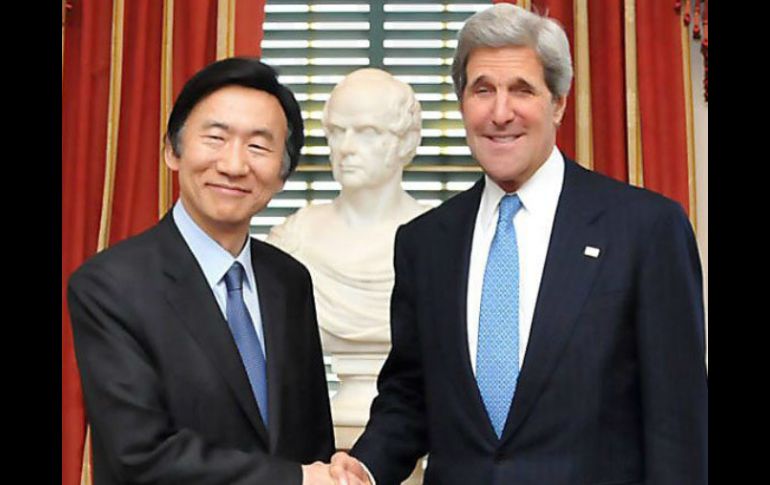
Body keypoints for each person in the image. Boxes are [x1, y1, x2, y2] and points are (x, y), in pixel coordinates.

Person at [330, 4, 708, 485]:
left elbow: (679, 424)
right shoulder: (425, 243)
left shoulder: (646, 230)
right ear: (462, 103)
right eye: (482, 90)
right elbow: (410, 394)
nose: (500, 113)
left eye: (522, 90)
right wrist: (363, 467)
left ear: (558, 104)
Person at [68, 57, 335, 485]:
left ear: (282, 175)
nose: (234, 165)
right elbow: (140, 455)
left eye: (259, 146)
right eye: (215, 138)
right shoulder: (108, 286)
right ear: (172, 151)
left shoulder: (289, 280)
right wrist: (297, 479)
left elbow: (312, 438)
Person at [267, 68, 428, 355]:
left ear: (406, 141)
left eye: (367, 132)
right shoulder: (294, 240)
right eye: (337, 132)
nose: (345, 148)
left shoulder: (437, 241)